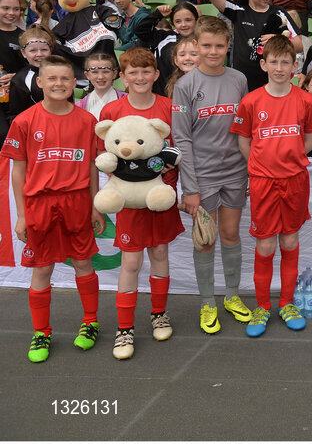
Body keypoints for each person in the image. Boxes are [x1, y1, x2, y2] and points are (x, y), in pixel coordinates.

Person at [5, 54, 103, 364]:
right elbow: (17, 171)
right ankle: (41, 331)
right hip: (40, 204)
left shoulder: (87, 121)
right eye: (52, 78)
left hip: (76, 201)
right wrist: (21, 215)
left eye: (65, 79)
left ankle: (90, 322)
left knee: (83, 262)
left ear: (75, 83)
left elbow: (91, 167)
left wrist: (95, 206)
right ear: (40, 82)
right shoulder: (24, 121)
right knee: (42, 268)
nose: (59, 83)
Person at [230, 35, 312, 337]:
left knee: (290, 241)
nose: (280, 67)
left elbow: (309, 139)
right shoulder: (252, 101)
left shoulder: (305, 100)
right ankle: (262, 307)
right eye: (274, 62)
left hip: (295, 180)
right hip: (263, 182)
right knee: (266, 243)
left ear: (295, 66)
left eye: (286, 62)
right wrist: (260, 165)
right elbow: (244, 140)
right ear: (263, 64)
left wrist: (291, 159)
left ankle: (286, 303)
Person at [98, 48, 184, 359]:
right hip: (130, 201)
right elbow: (105, 158)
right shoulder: (112, 111)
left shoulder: (169, 107)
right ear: (122, 77)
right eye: (133, 72)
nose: (140, 77)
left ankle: (158, 313)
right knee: (131, 263)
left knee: (160, 253)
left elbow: (178, 150)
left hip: (160, 197)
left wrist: (171, 166)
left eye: (146, 71)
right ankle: (124, 329)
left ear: (156, 74)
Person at [172, 17, 253, 334]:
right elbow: (182, 140)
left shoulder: (239, 79)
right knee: (206, 241)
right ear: (196, 45)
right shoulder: (185, 85)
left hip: (234, 172)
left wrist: (247, 171)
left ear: (228, 45)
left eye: (220, 45)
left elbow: (243, 130)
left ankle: (232, 296)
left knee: (231, 234)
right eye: (206, 45)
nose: (213, 51)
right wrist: (189, 188)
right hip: (201, 176)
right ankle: (207, 302)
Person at [204, 0, 302, 92]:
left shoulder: (279, 12)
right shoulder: (238, 11)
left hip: (270, 83)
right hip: (242, 83)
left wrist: (277, 40)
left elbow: (299, 44)